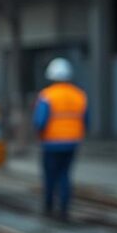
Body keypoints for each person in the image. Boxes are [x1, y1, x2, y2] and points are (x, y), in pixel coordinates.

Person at [33, 57, 88, 220]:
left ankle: (48, 206)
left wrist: (39, 136)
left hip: (51, 143)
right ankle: (64, 209)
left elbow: (40, 121)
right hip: (72, 143)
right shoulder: (79, 95)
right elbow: (86, 121)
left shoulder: (47, 96)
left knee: (50, 176)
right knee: (65, 175)